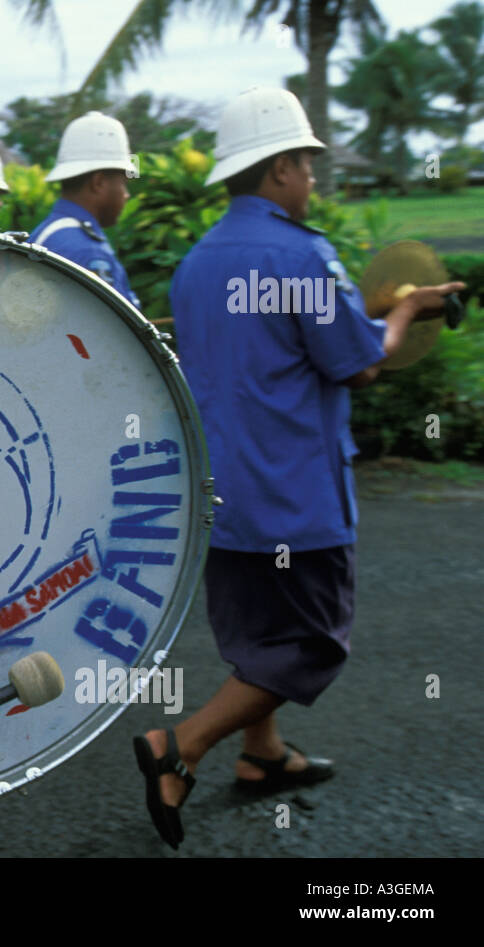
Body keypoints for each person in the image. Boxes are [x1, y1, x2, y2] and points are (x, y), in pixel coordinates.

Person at [136, 87, 464, 850]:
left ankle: (264, 757)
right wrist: (410, 311)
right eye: (308, 165)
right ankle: (178, 747)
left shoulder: (196, 263)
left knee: (257, 634)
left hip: (227, 492)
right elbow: (357, 365)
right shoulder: (302, 255)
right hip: (295, 491)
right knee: (312, 641)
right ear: (282, 167)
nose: (313, 178)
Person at [30, 111, 141, 309]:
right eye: (123, 184)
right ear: (98, 182)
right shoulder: (87, 251)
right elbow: (110, 335)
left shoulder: (51, 233)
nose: (126, 195)